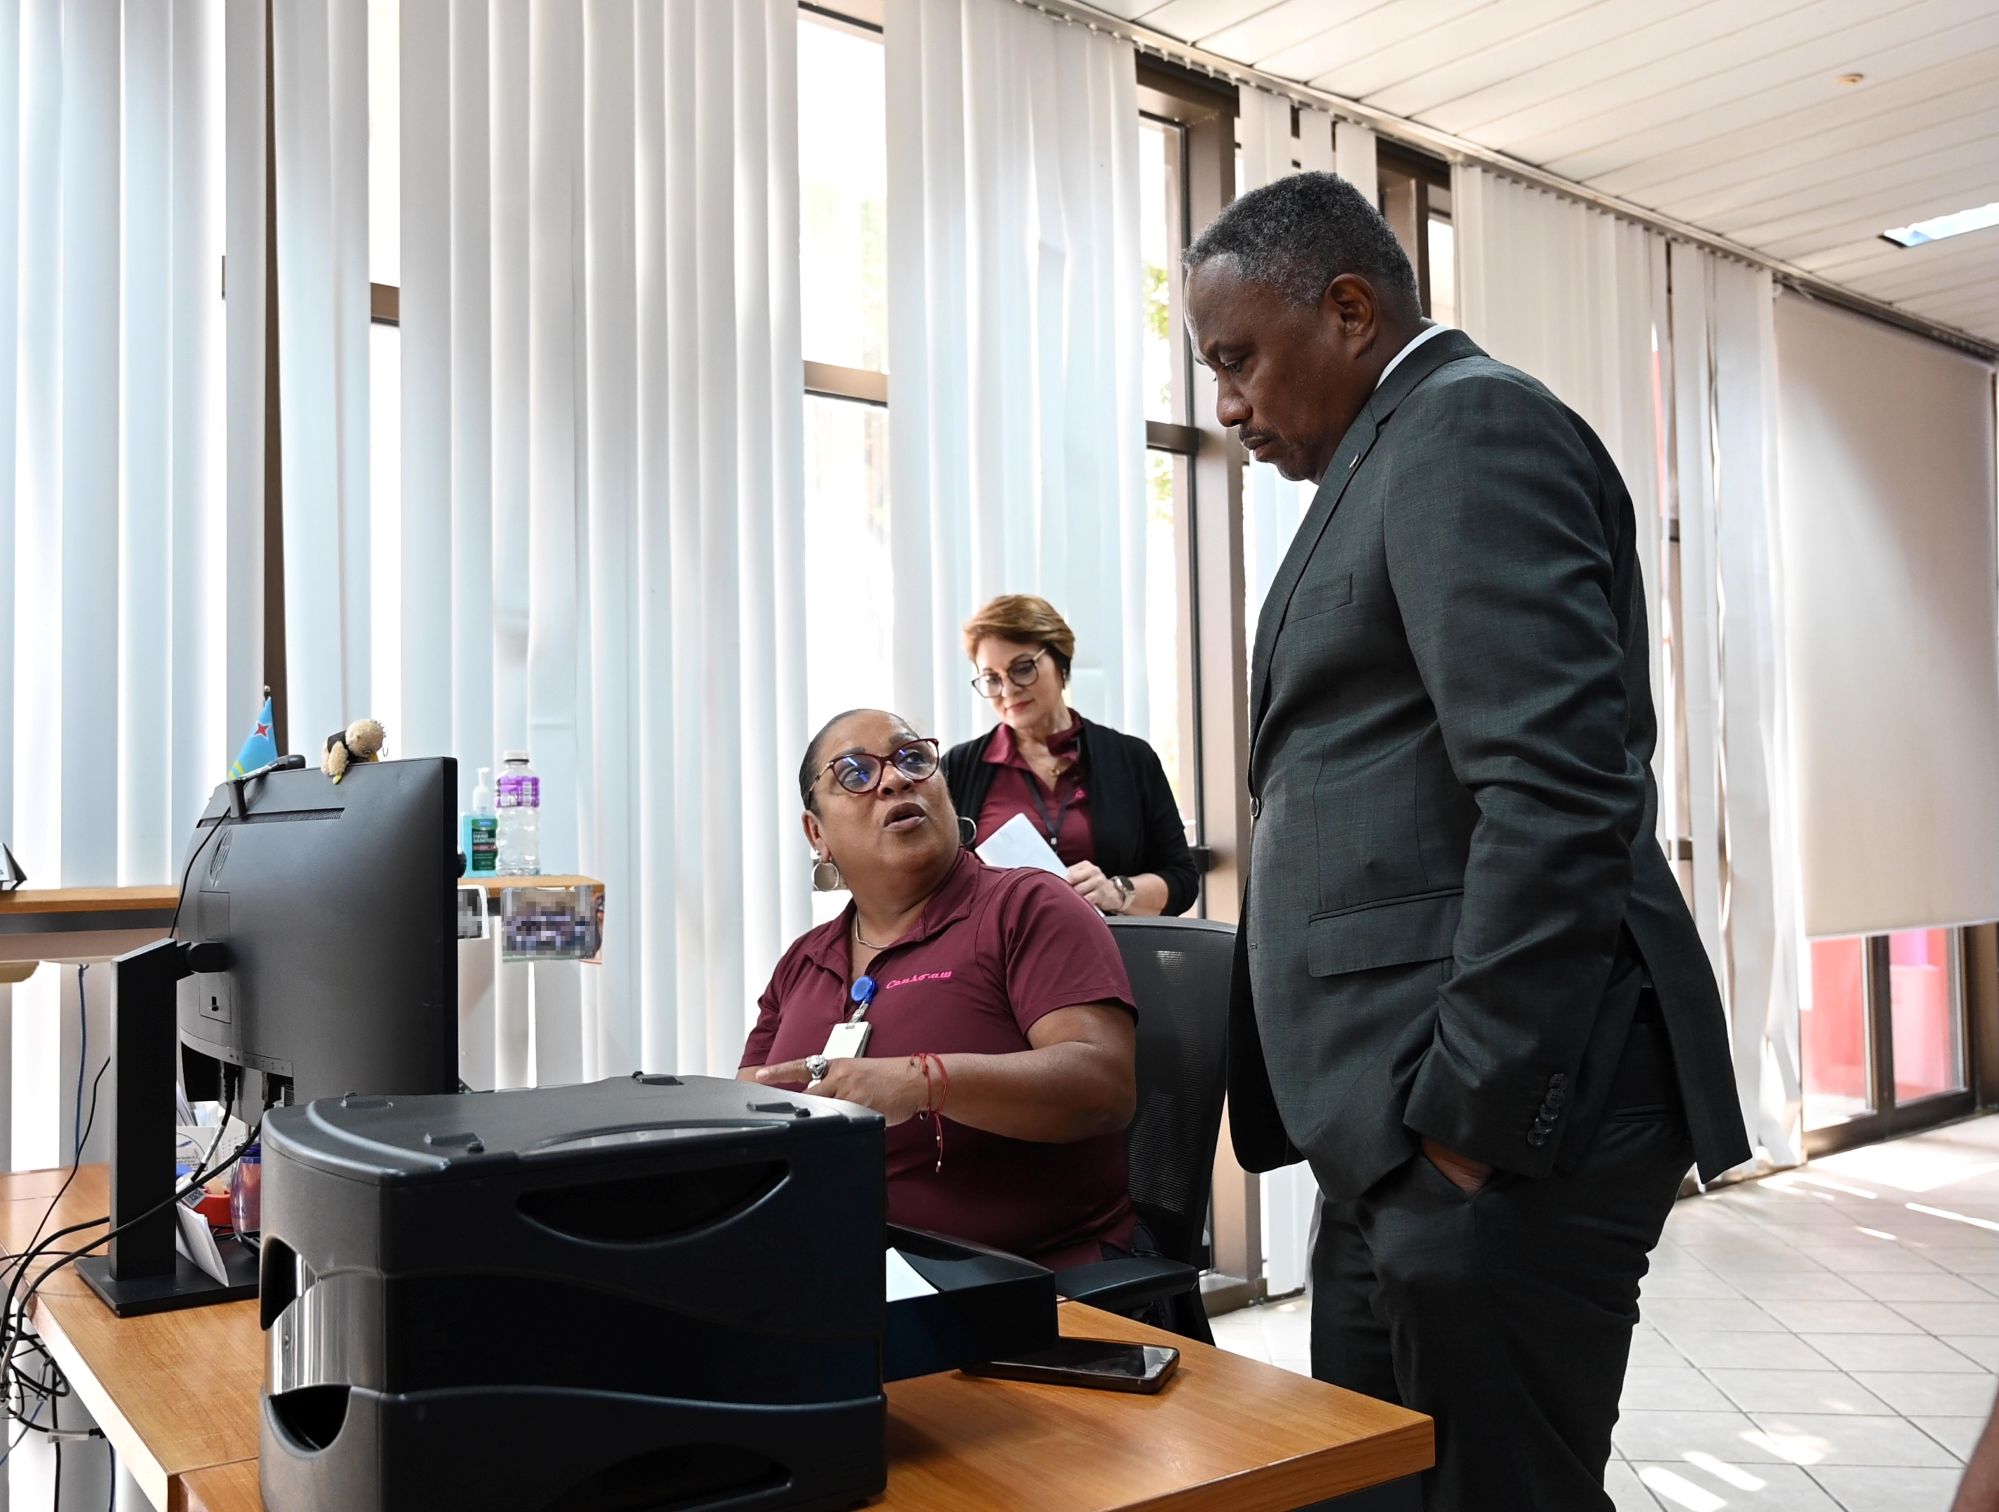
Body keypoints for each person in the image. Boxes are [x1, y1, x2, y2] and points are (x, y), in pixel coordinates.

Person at [1185, 171, 1750, 1511]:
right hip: (1398, 1123)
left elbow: (1557, 791)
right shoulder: (1391, 451)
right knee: (1380, 1485)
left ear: (1347, 309)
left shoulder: (1467, 427)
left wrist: (1467, 1128)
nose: (1226, 407)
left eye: (1237, 360)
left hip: (1491, 1122)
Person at [740, 707, 1141, 1271]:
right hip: (834, 1275)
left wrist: (921, 1083)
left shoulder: (1028, 906)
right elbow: (746, 1122)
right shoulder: (802, 961)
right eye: (855, 773)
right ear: (817, 833)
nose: (895, 779)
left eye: (912, 758)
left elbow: (1102, 1088)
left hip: (1017, 1280)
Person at [943, 594, 1199, 918]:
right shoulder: (958, 768)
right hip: (1000, 948)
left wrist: (1117, 892)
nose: (1007, 690)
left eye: (1022, 668)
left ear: (1060, 662)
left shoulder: (1132, 758)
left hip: (1112, 945)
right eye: (992, 678)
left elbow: (1182, 880)